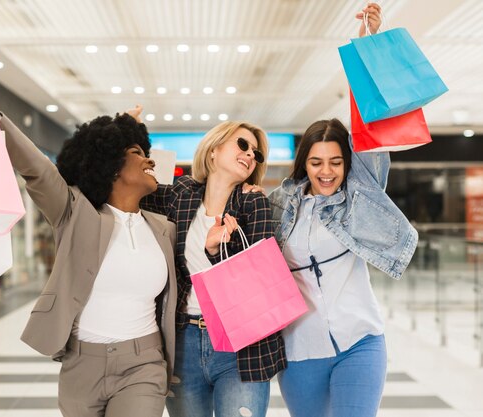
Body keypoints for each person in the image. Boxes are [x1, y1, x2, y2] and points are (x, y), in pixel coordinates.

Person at [0, 83, 177, 417]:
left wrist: (125, 126)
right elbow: (35, 167)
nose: (149, 159)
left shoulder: (164, 227)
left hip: (144, 364)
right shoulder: (75, 213)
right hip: (82, 366)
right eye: (137, 153)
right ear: (109, 165)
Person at [267, 5, 417, 416]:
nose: (326, 171)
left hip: (360, 339)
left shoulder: (358, 193)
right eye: (316, 162)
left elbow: (373, 127)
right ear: (304, 163)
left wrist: (370, 45)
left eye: (335, 162)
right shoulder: (280, 203)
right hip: (300, 347)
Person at [136, 110, 285, 417]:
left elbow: (260, 278)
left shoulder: (253, 202)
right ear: (214, 149)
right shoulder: (182, 195)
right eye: (242, 144)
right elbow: (133, 192)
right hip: (184, 341)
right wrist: (130, 133)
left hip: (241, 347)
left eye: (255, 153)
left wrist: (215, 252)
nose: (249, 154)